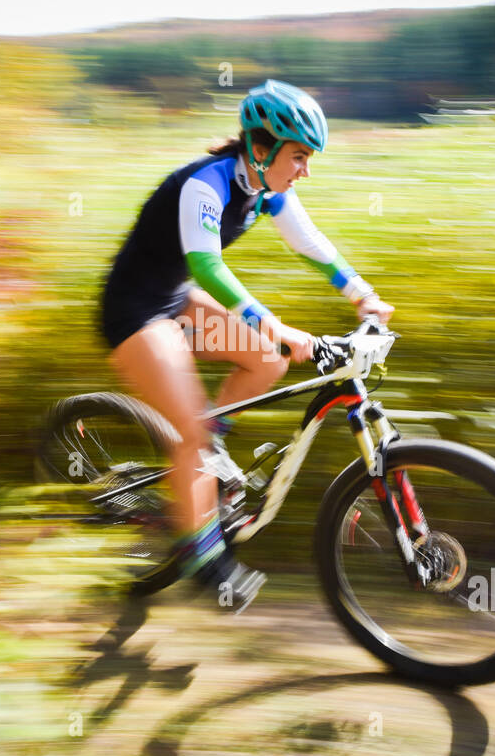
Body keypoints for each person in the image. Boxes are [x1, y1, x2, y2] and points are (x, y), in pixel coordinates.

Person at [98, 80, 394, 612]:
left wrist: (363, 295)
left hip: (174, 302)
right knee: (191, 427)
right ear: (262, 149)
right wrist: (275, 323)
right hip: (135, 312)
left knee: (266, 360)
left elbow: (309, 243)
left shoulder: (265, 187)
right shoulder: (205, 185)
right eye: (300, 156)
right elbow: (208, 267)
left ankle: (204, 459)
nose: (306, 169)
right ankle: (203, 555)